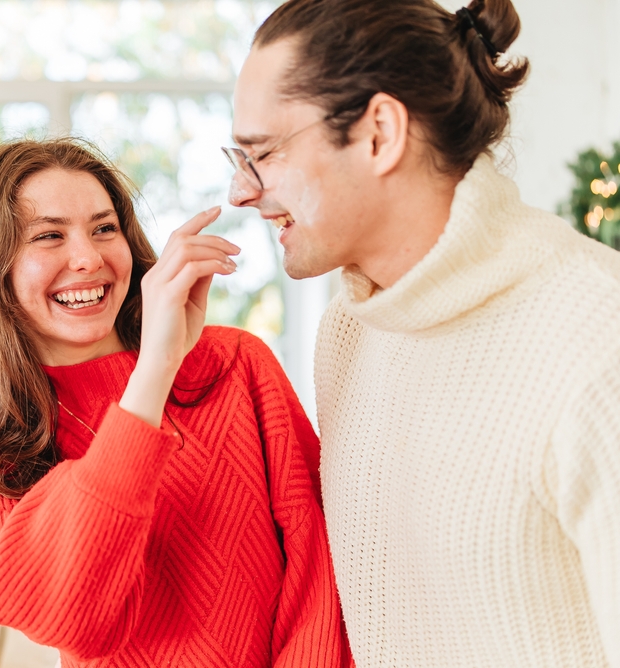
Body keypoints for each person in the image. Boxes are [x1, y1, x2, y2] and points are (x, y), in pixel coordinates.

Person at [226, 0, 620, 666]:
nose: (241, 191)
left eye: (263, 153)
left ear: (379, 133)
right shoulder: (350, 333)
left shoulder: (593, 335)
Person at [0, 138, 350, 667]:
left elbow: (319, 569)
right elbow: (73, 618)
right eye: (48, 235)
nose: (87, 258)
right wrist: (154, 368)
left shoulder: (234, 364)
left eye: (104, 228)